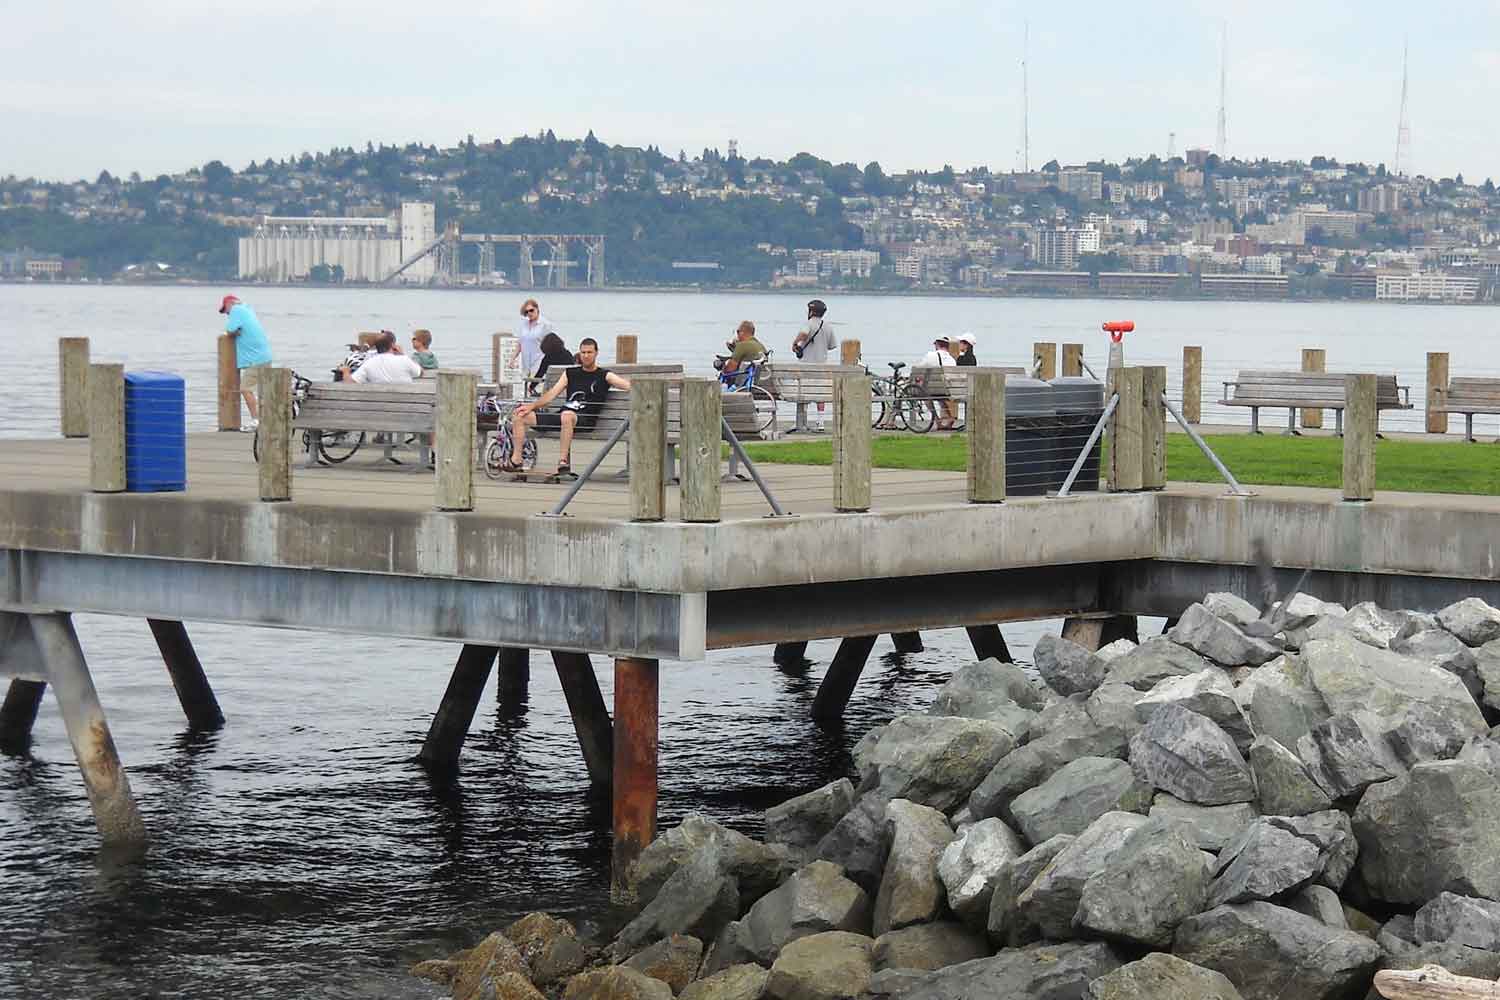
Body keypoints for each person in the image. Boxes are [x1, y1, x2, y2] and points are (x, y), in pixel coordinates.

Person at [505, 337, 630, 476]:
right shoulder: (570, 373)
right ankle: (516, 460)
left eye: (589, 352)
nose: (586, 356)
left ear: (596, 353)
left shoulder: (605, 375)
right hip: (563, 416)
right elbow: (552, 394)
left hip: (584, 420)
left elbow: (629, 386)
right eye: (583, 352)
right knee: (519, 415)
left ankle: (563, 462)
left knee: (567, 415)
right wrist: (531, 406)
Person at [219, 294, 273, 431]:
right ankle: (267, 420)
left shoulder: (236, 310)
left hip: (256, 359)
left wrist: (232, 332)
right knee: (263, 391)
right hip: (264, 356)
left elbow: (230, 329)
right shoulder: (247, 309)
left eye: (226, 311)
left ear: (230, 304)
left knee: (245, 388)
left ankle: (256, 421)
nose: (227, 314)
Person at [791, 299, 836, 430]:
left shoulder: (808, 324)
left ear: (811, 311)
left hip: (805, 366)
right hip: (822, 365)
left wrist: (795, 344)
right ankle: (820, 422)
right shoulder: (828, 327)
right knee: (820, 394)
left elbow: (803, 334)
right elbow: (831, 346)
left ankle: (801, 421)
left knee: (802, 392)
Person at [340, 331, 422, 383]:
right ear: (393, 345)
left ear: (376, 347)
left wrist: (345, 371)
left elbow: (350, 383)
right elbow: (420, 372)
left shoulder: (369, 363)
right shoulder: (404, 360)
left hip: (380, 408)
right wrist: (402, 354)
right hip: (409, 407)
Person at [917, 335, 960, 430]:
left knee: (926, 397)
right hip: (947, 390)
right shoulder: (952, 359)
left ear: (937, 344)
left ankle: (937, 421)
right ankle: (949, 416)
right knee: (940, 396)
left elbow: (919, 368)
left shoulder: (931, 355)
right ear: (947, 346)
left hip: (934, 389)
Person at [513, 298, 555, 387]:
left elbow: (551, 344)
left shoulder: (545, 324)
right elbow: (520, 343)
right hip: (526, 364)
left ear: (537, 309)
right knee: (526, 389)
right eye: (526, 312)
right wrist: (513, 359)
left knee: (536, 389)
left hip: (539, 362)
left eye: (531, 310)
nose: (529, 313)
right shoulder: (524, 324)